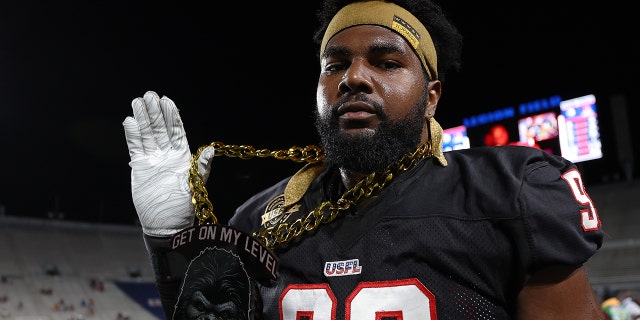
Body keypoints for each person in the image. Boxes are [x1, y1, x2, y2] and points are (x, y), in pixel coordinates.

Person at [123, 0, 604, 318]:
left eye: (387, 62)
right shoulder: (259, 218)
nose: (353, 77)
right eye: (334, 64)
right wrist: (170, 240)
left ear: (432, 96)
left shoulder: (507, 192)